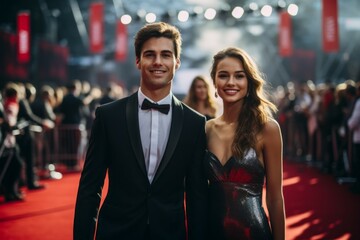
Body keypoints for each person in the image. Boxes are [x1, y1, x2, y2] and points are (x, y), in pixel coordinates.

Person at [73, 22, 208, 240]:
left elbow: (197, 196)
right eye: (149, 55)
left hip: (170, 234)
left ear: (177, 62)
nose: (157, 62)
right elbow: (90, 187)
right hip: (116, 232)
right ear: (138, 61)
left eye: (166, 55)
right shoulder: (108, 116)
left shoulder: (195, 123)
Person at [205, 47, 285, 239]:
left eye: (239, 76)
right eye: (223, 75)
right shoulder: (206, 129)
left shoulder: (267, 129)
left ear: (249, 82)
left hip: (254, 234)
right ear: (215, 82)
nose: (231, 82)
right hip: (211, 233)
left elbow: (275, 198)